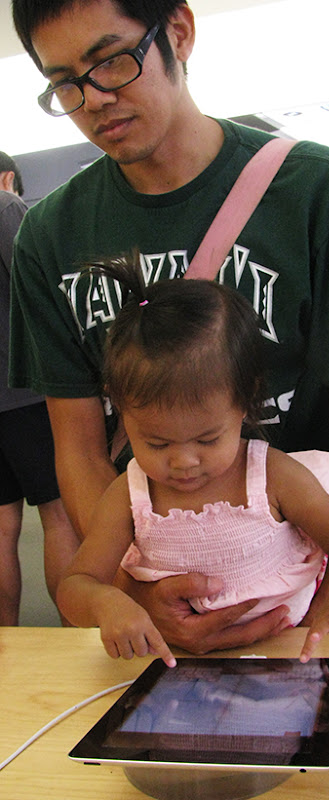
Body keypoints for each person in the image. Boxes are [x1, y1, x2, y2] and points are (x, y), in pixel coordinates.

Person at [10, 0, 329, 652]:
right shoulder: (50, 235)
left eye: (112, 61)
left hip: (293, 598)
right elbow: (77, 446)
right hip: (156, 609)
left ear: (178, 32)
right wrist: (136, 597)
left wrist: (321, 605)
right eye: (66, 83)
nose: (94, 98)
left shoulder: (317, 192)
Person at [57, 262, 329, 664]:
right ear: (121, 409)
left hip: (288, 646)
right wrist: (106, 602)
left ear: (246, 402)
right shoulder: (131, 495)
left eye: (207, 439)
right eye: (157, 442)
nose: (184, 461)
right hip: (174, 658)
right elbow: (75, 585)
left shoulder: (271, 476)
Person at [0, 151, 79, 625]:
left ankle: (5, 648)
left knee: (0, 527)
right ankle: (71, 641)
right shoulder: (6, 206)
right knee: (59, 515)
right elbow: (41, 292)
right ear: (9, 177)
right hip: (25, 392)